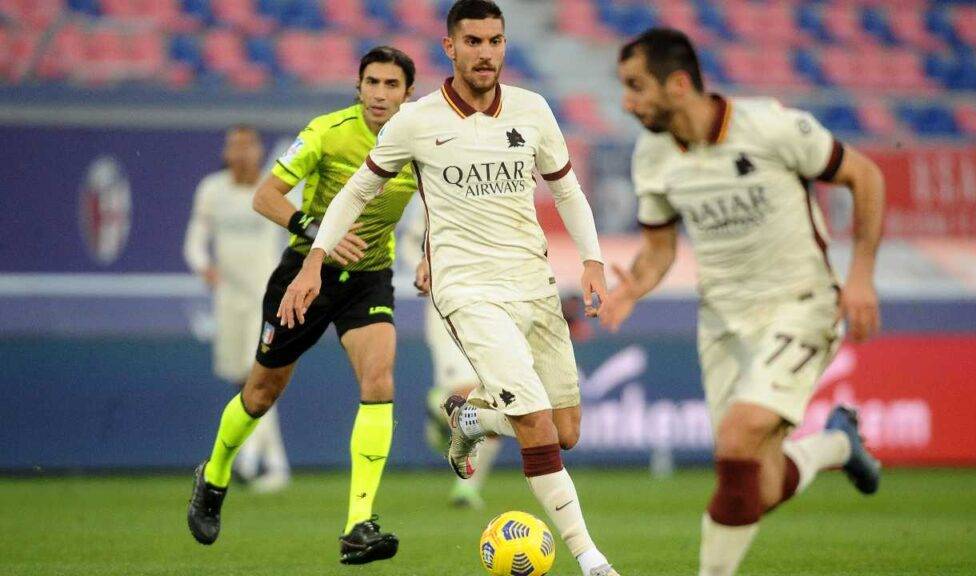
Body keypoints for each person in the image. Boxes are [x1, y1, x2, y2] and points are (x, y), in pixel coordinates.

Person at [278, 2, 621, 575]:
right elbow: (357, 193)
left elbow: (567, 191)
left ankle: (470, 421)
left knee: (567, 432)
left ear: (505, 45)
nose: (485, 53)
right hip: (467, 290)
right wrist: (314, 260)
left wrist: (593, 262)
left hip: (533, 286)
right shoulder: (416, 121)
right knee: (536, 425)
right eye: (473, 42)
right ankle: (591, 559)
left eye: (494, 41)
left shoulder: (533, 110)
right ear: (450, 47)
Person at [605, 28, 885, 576]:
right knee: (752, 481)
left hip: (800, 305)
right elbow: (659, 250)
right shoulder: (652, 155)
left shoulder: (771, 126)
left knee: (738, 436)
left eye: (637, 87)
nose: (627, 102)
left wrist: (862, 277)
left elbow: (865, 175)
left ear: (679, 84)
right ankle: (835, 448)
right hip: (722, 324)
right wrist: (633, 286)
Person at [187, 46, 419, 566]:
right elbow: (266, 196)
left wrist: (428, 254)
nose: (380, 94)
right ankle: (216, 474)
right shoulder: (326, 132)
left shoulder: (419, 141)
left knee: (380, 380)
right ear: (357, 87)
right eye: (372, 83)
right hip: (305, 274)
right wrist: (319, 235)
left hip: (369, 278)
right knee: (261, 392)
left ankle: (359, 523)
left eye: (391, 85)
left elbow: (440, 207)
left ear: (408, 93)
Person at [183, 125, 290, 494]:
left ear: (259, 151)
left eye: (248, 146)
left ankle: (247, 462)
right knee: (240, 381)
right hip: (228, 299)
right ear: (226, 152)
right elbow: (195, 241)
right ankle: (275, 464)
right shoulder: (212, 190)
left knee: (255, 378)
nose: (241, 153)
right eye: (234, 146)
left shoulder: (273, 189)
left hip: (266, 296)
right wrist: (203, 266)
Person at [399, 206, 502, 510]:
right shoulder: (439, 191)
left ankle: (467, 488)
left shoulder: (500, 193)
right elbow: (412, 243)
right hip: (449, 307)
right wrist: (422, 267)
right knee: (466, 391)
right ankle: (443, 409)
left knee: (497, 401)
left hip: (494, 310)